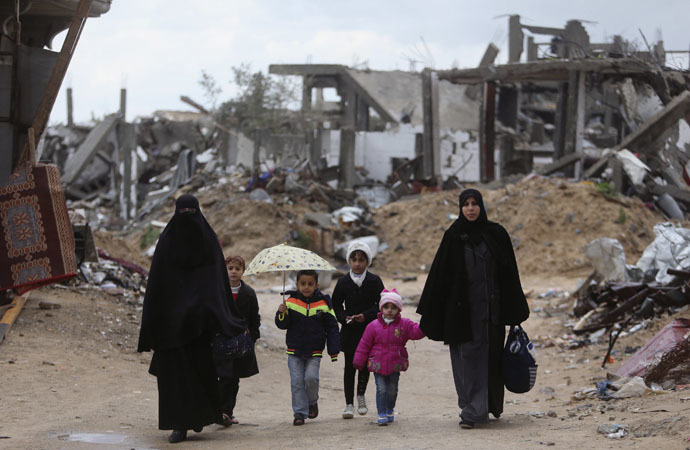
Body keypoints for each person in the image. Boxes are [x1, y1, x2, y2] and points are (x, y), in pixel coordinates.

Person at [137, 194, 248, 444]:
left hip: (199, 326)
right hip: (170, 328)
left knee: (199, 373)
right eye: (183, 212)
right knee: (174, 377)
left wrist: (218, 315)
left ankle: (197, 418)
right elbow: (157, 285)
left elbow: (217, 284)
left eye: (191, 212)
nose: (188, 218)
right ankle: (179, 424)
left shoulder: (207, 242)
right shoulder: (167, 242)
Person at [416, 188, 530, 429]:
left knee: (490, 359)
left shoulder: (496, 234)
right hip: (463, 313)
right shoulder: (454, 236)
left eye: (474, 203)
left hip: (492, 313)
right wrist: (436, 313)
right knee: (467, 361)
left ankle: (487, 406)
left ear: (481, 206)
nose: (470, 208)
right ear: (460, 208)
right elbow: (440, 277)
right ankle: (471, 411)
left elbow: (510, 273)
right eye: (466, 204)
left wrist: (514, 309)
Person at [275, 270, 340, 426]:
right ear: (297, 285)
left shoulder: (324, 304)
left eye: (310, 284)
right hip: (294, 350)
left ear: (317, 285)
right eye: (302, 284)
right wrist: (281, 313)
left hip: (314, 351)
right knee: (297, 382)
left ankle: (312, 402)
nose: (306, 287)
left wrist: (333, 350)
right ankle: (299, 413)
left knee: (311, 379)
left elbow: (332, 328)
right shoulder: (290, 302)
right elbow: (282, 325)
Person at [353, 288, 425, 426]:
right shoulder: (373, 326)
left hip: (395, 363)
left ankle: (389, 409)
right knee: (381, 389)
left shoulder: (405, 324)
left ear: (399, 309)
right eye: (386, 307)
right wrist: (358, 360)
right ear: (381, 308)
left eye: (393, 307)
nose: (390, 310)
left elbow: (417, 332)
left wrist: (426, 324)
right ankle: (381, 414)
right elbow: (364, 344)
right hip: (378, 364)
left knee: (392, 390)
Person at [332, 241, 384, 419]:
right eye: (353, 259)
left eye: (361, 259)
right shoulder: (343, 282)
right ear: (349, 261)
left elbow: (382, 304)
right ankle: (348, 404)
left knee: (364, 365)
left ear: (367, 261)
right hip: (349, 331)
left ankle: (361, 395)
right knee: (349, 366)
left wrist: (367, 315)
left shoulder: (374, 281)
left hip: (369, 331)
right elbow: (336, 305)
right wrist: (344, 318)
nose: (357, 263)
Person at [214, 255, 260, 427]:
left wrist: (252, 337)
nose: (233, 272)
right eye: (230, 268)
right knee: (223, 377)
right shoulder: (218, 291)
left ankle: (227, 412)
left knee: (233, 379)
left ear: (243, 271)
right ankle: (219, 411)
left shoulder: (248, 293)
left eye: (237, 269)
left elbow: (255, 318)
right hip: (220, 341)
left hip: (240, 343)